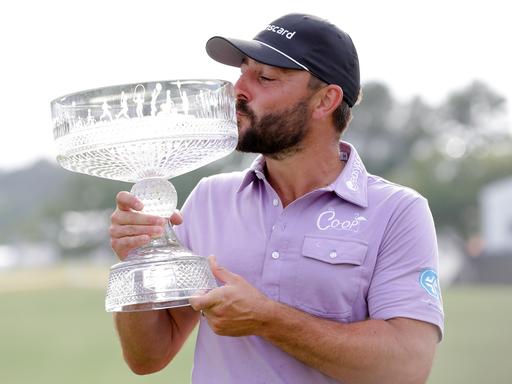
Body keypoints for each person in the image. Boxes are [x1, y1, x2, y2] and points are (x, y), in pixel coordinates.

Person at [110, 13, 444, 383]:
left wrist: (268, 319)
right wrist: (136, 262)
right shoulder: (209, 198)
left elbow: (408, 366)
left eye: (265, 77)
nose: (238, 88)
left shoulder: (398, 212)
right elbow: (147, 357)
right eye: (243, 70)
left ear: (325, 101)